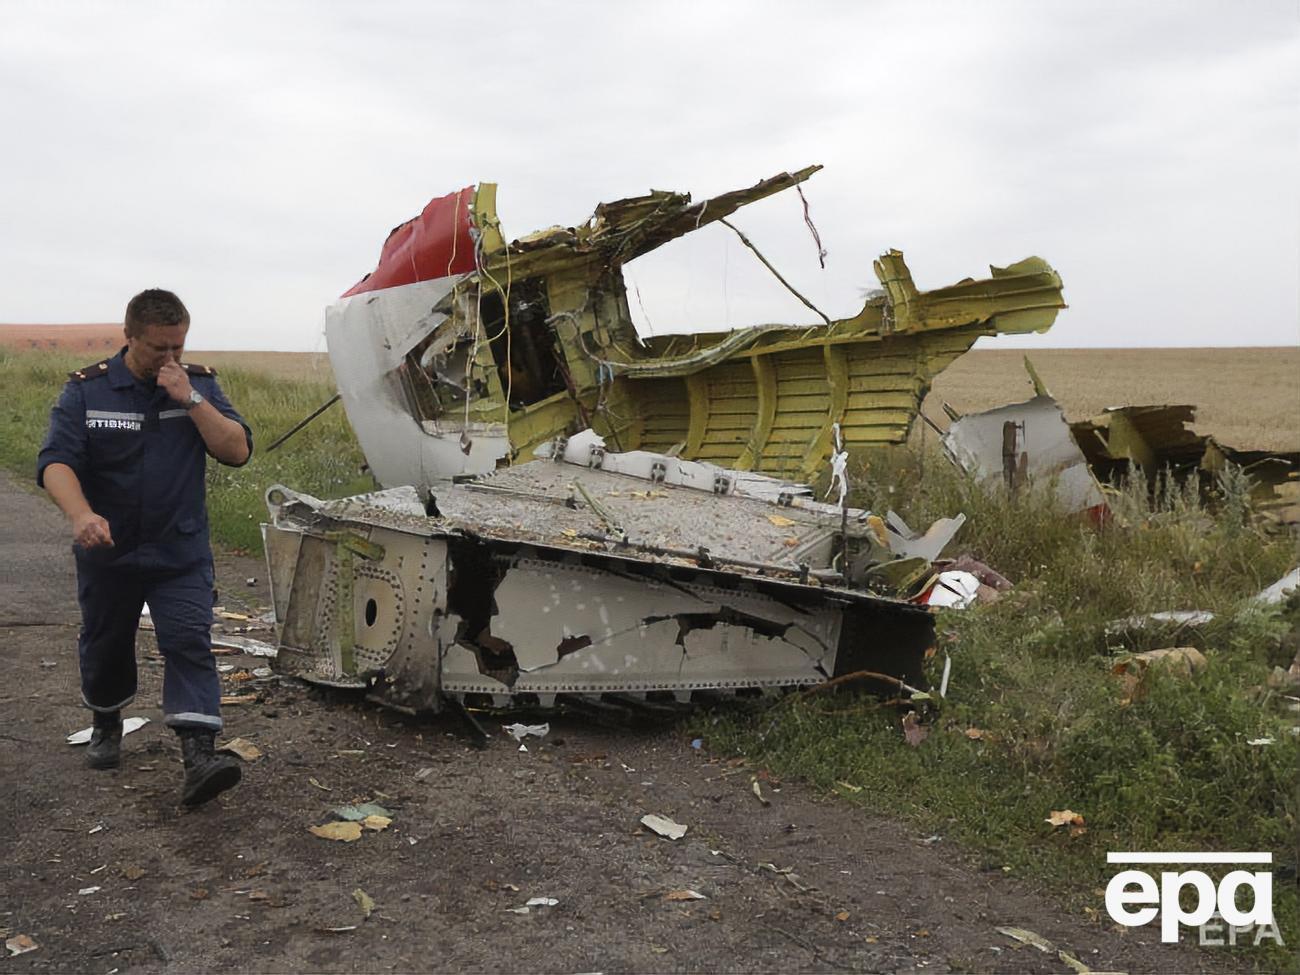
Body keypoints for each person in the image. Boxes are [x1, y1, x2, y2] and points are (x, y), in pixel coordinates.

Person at [37, 289, 254, 806]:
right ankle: (107, 721)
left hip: (178, 551)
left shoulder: (198, 385)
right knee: (106, 643)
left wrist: (190, 399)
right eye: (159, 348)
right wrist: (80, 514)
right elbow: (56, 462)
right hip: (108, 551)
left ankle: (199, 755)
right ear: (129, 336)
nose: (170, 358)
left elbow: (236, 450)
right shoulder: (87, 391)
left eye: (178, 346)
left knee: (187, 639)